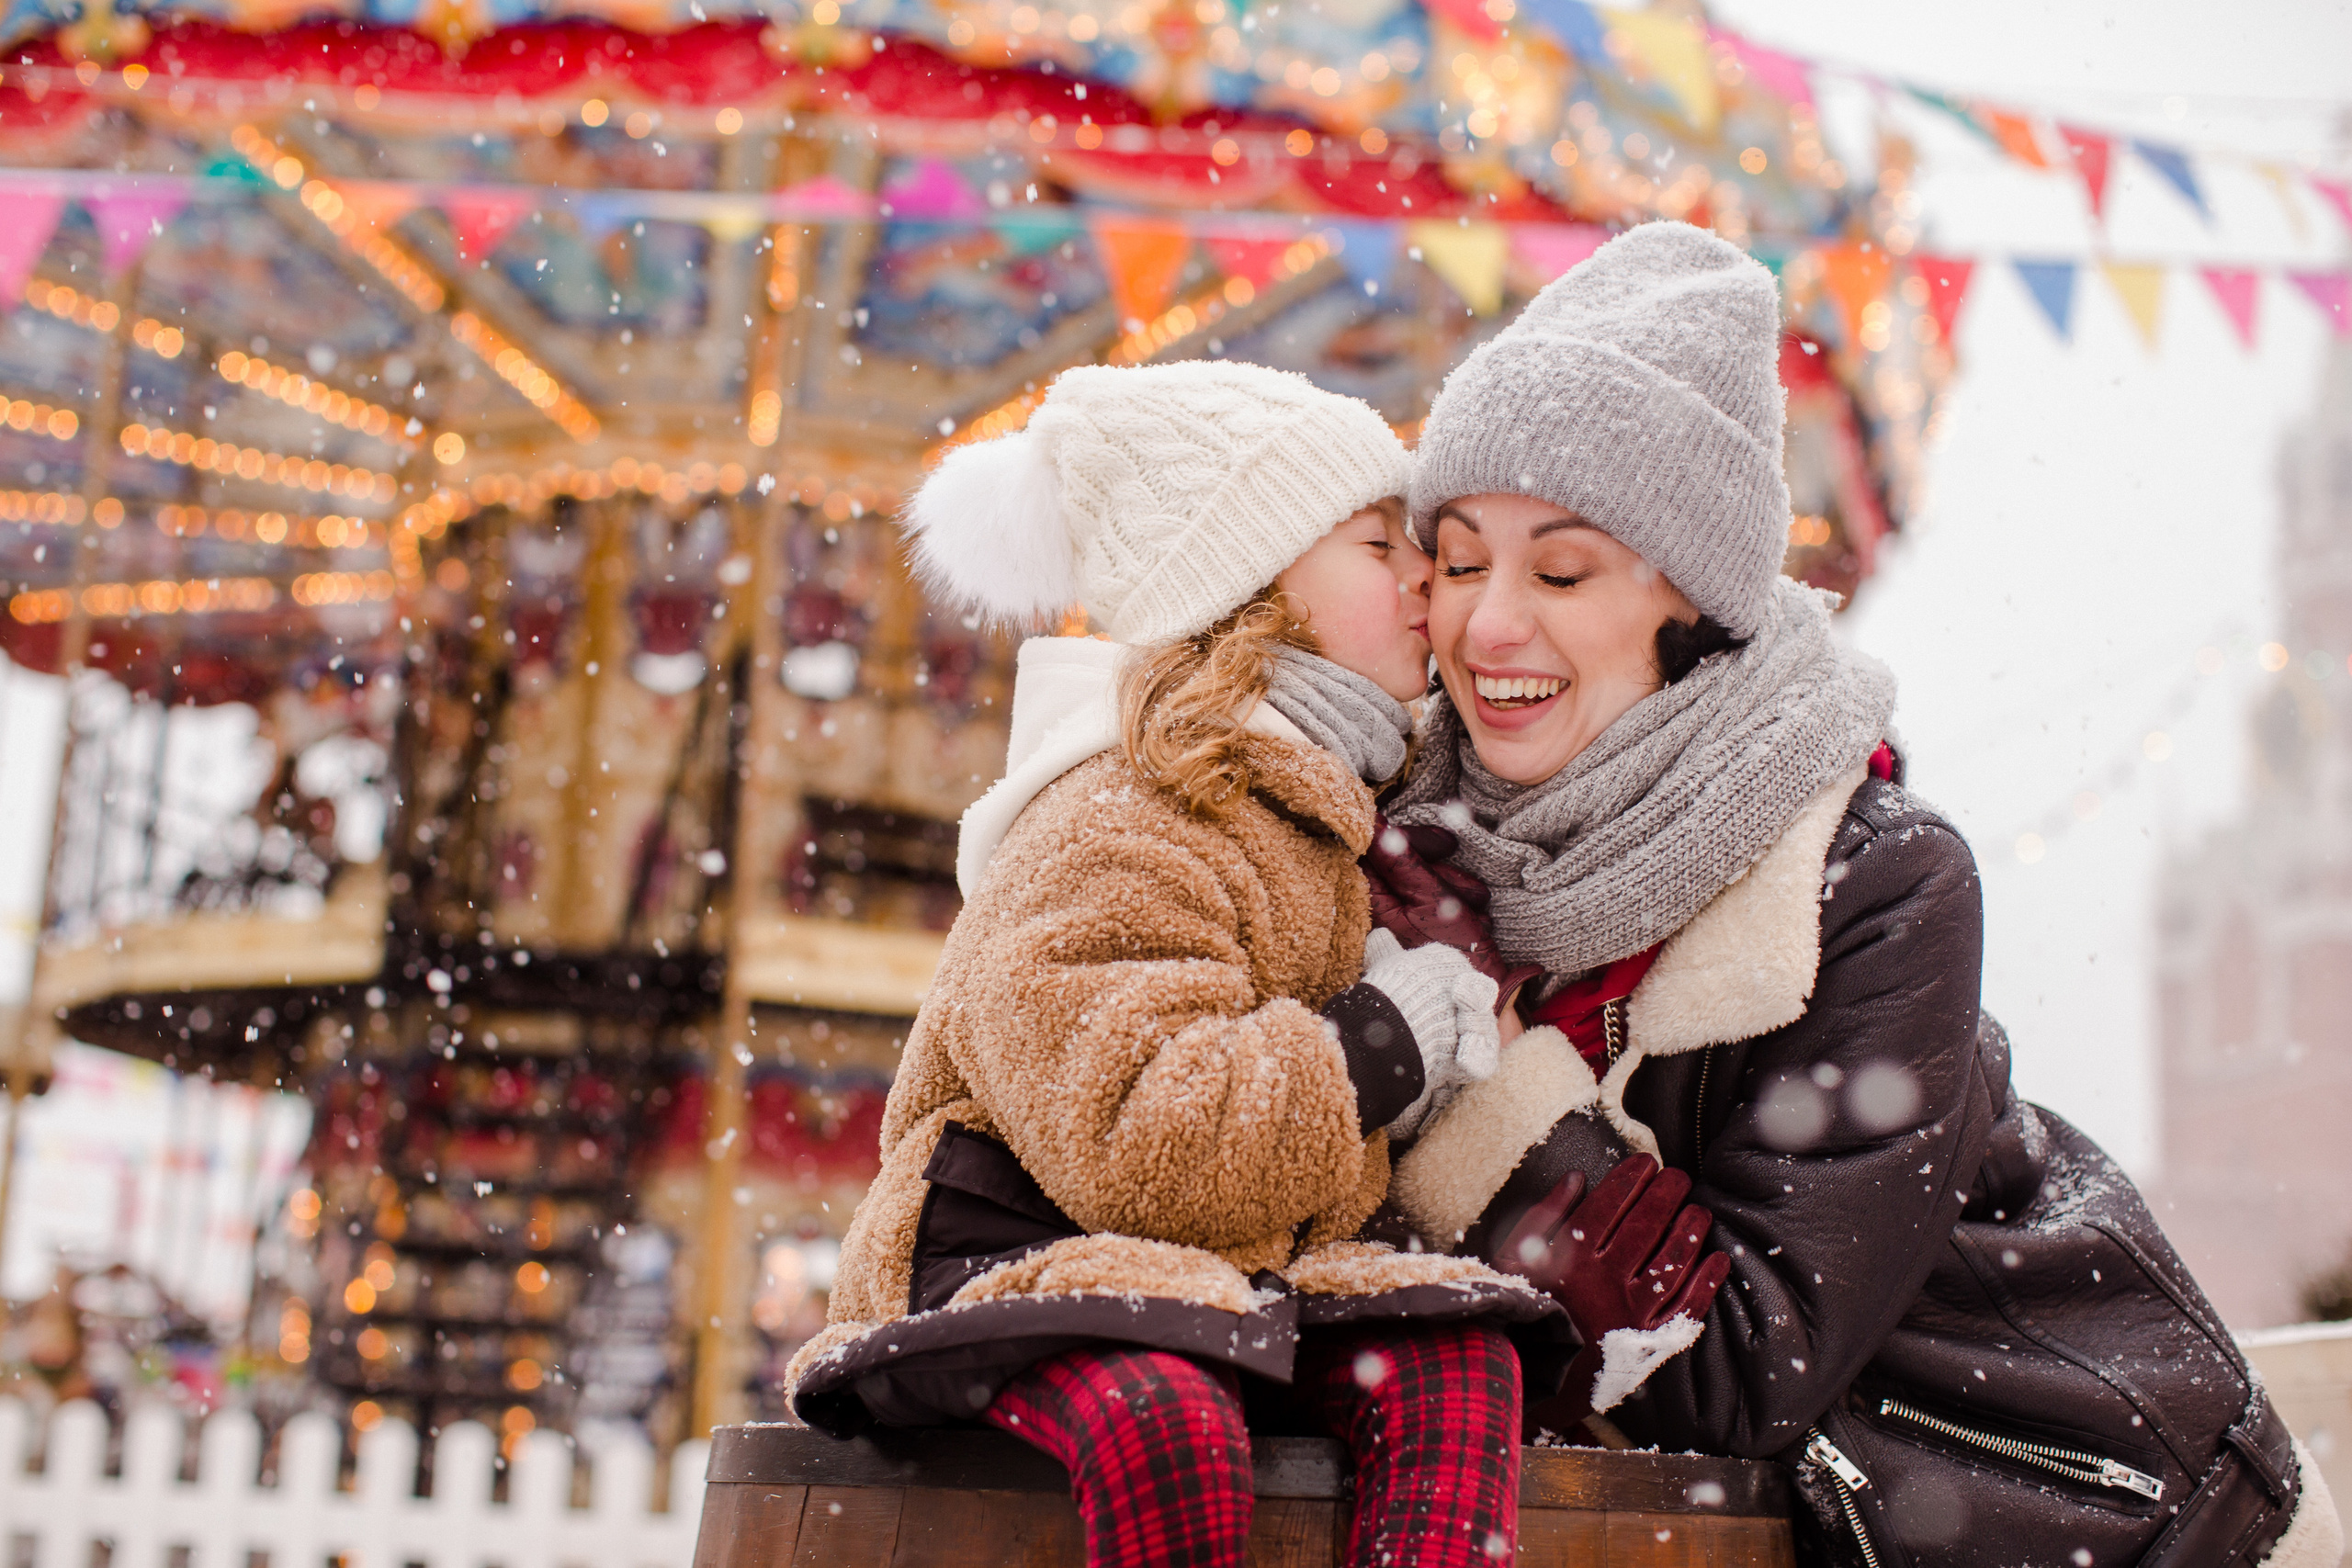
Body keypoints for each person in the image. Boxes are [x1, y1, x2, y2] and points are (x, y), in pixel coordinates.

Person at [1366, 221, 2343, 1568]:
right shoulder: (1406, 845)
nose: (1488, 626)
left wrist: (1468, 1058)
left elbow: (1736, 1371)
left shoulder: (1873, 883)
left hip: (2074, 1522)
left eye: (1563, 570)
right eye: (1463, 560)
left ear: (1689, 599)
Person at [787, 361, 1712, 1568]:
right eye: (1378, 544)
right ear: (1253, 588)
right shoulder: (1121, 816)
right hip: (1013, 1246)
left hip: (1223, 1263)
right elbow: (1143, 1142)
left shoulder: (1312, 810)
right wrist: (1378, 1044)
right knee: (1162, 1418)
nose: (1423, 576)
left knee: (1455, 1363)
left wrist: (1410, 1065)